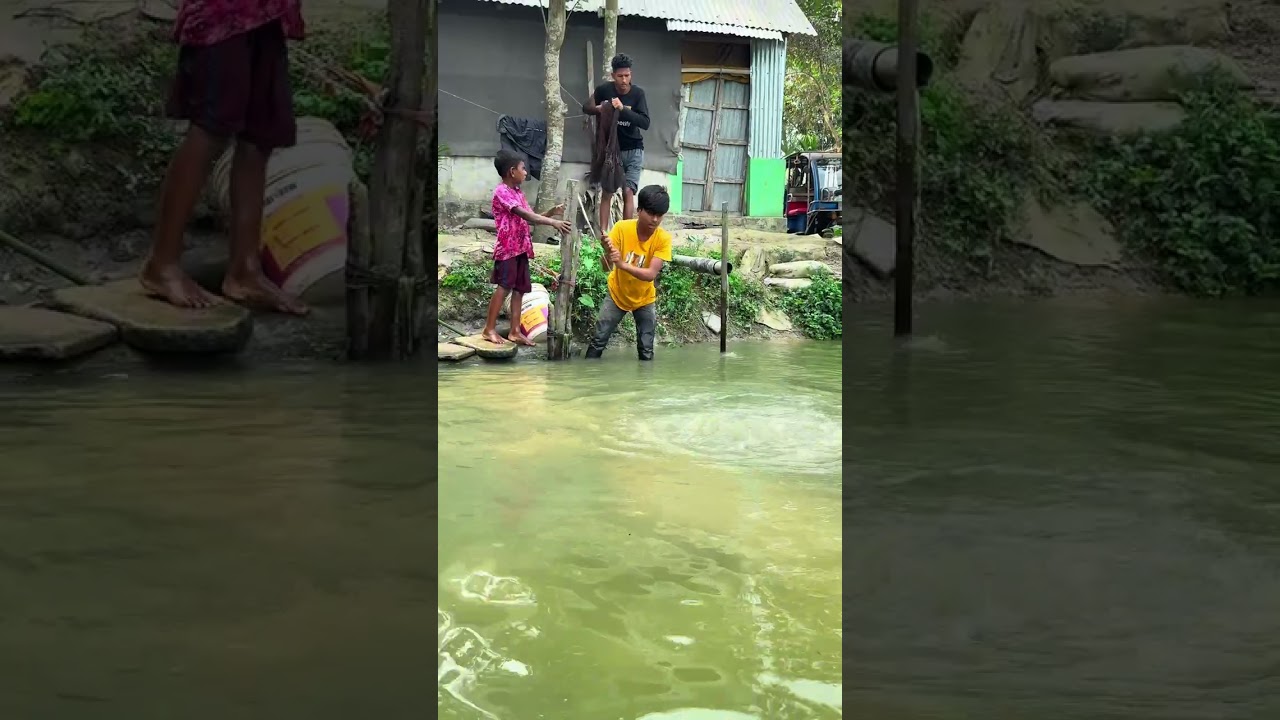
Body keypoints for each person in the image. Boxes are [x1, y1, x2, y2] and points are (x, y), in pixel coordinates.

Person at [138, 0, 308, 315]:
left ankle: (245, 270)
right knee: (210, 129)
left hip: (268, 13)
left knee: (259, 136)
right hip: (222, 14)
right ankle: (162, 263)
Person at [483, 149, 572, 347]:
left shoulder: (518, 193)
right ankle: (489, 329)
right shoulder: (502, 192)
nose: (525, 172)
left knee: (520, 289)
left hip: (521, 248)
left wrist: (552, 212)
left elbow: (531, 217)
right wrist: (553, 222)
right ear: (512, 171)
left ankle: (515, 331)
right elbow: (526, 215)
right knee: (504, 287)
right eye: (523, 168)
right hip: (508, 249)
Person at [585, 185, 672, 361]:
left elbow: (650, 275)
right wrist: (608, 254)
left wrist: (622, 265)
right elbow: (606, 267)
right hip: (617, 294)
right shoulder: (621, 228)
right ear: (639, 210)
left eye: (659, 215)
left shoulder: (663, 238)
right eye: (651, 213)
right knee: (598, 341)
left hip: (645, 298)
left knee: (646, 349)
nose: (655, 220)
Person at [583, 53, 650, 235]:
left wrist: (622, 109)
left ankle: (625, 235)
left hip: (634, 149)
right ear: (613, 76)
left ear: (631, 74)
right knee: (607, 192)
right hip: (612, 151)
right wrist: (598, 109)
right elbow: (586, 107)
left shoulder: (638, 94)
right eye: (620, 76)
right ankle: (603, 235)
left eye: (627, 75)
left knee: (628, 191)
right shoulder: (604, 90)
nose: (624, 80)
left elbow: (645, 123)